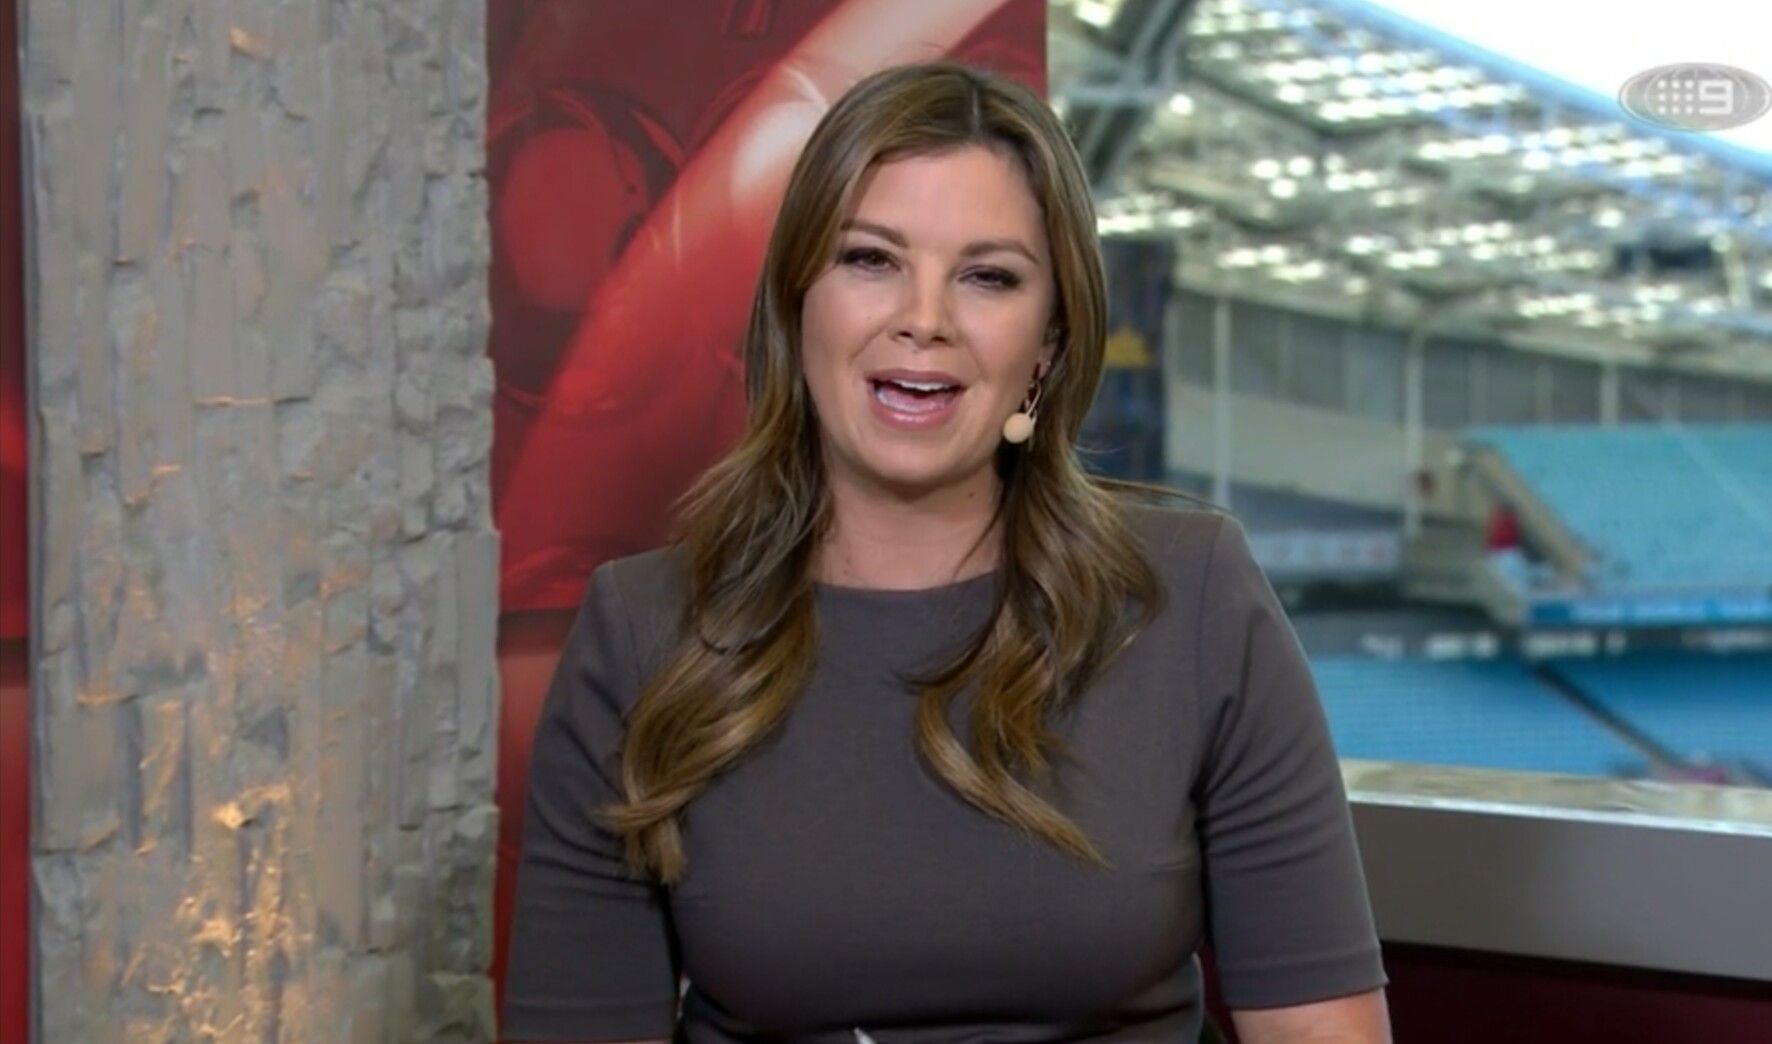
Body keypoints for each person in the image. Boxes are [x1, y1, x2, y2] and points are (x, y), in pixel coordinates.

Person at [501, 62, 1390, 1043]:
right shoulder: (642, 632)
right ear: (798, 301)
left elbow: (1321, 1032)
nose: (922, 319)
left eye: (987, 276)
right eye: (870, 259)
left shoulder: (1190, 595)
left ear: (1047, 344)